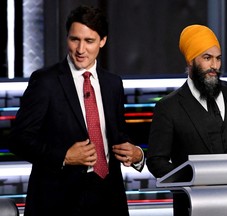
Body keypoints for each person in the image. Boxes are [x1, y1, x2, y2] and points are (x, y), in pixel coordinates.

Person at [8, 5, 144, 216]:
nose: (80, 50)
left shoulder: (113, 84)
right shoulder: (45, 82)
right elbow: (18, 139)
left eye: (89, 41)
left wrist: (136, 155)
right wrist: (64, 156)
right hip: (59, 202)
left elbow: (118, 136)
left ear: (103, 41)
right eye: (74, 39)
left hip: (108, 199)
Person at [146, 24, 227, 216]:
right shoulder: (168, 107)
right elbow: (156, 161)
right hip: (195, 206)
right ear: (190, 61)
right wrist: (191, 181)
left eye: (218, 58)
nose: (214, 66)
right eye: (207, 58)